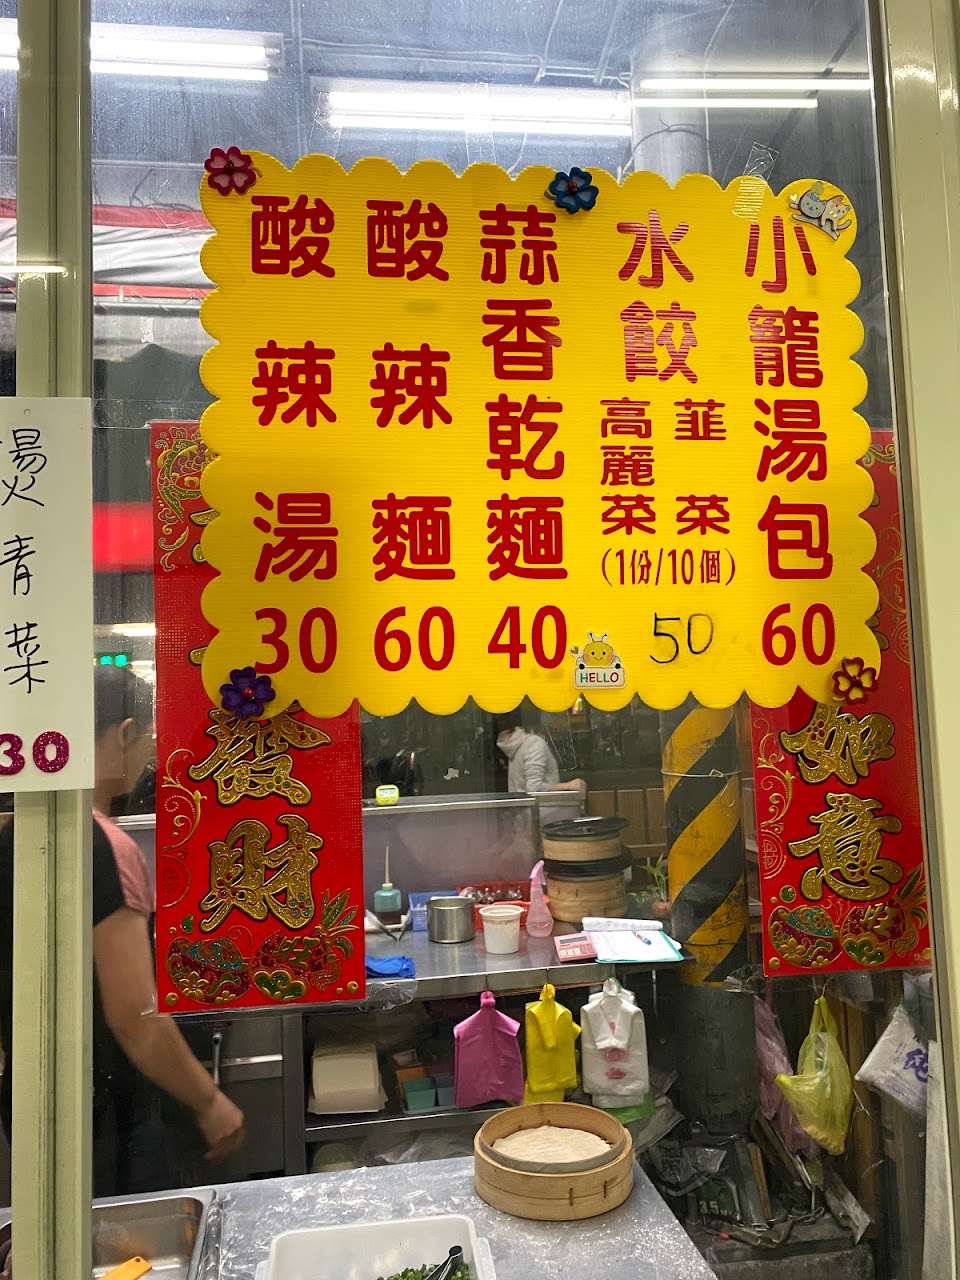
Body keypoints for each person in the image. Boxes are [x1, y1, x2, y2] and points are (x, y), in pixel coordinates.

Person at [0, 664, 245, 1197]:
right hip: (114, 1112)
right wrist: (209, 1102)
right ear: (123, 733)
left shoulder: (16, 835)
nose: (150, 758)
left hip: (34, 1100)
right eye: (148, 740)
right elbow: (135, 1018)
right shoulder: (106, 847)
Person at [495, 722, 586, 795]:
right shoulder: (534, 744)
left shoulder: (517, 744)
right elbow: (534, 788)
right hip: (540, 809)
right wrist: (569, 786)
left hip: (521, 808)